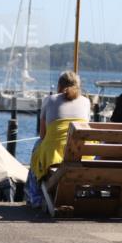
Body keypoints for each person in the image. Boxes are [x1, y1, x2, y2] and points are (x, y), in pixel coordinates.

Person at [27, 71, 91, 205]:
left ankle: (36, 197)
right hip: (82, 156)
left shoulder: (50, 100)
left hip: (54, 156)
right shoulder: (86, 102)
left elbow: (43, 135)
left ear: (59, 86)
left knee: (37, 147)